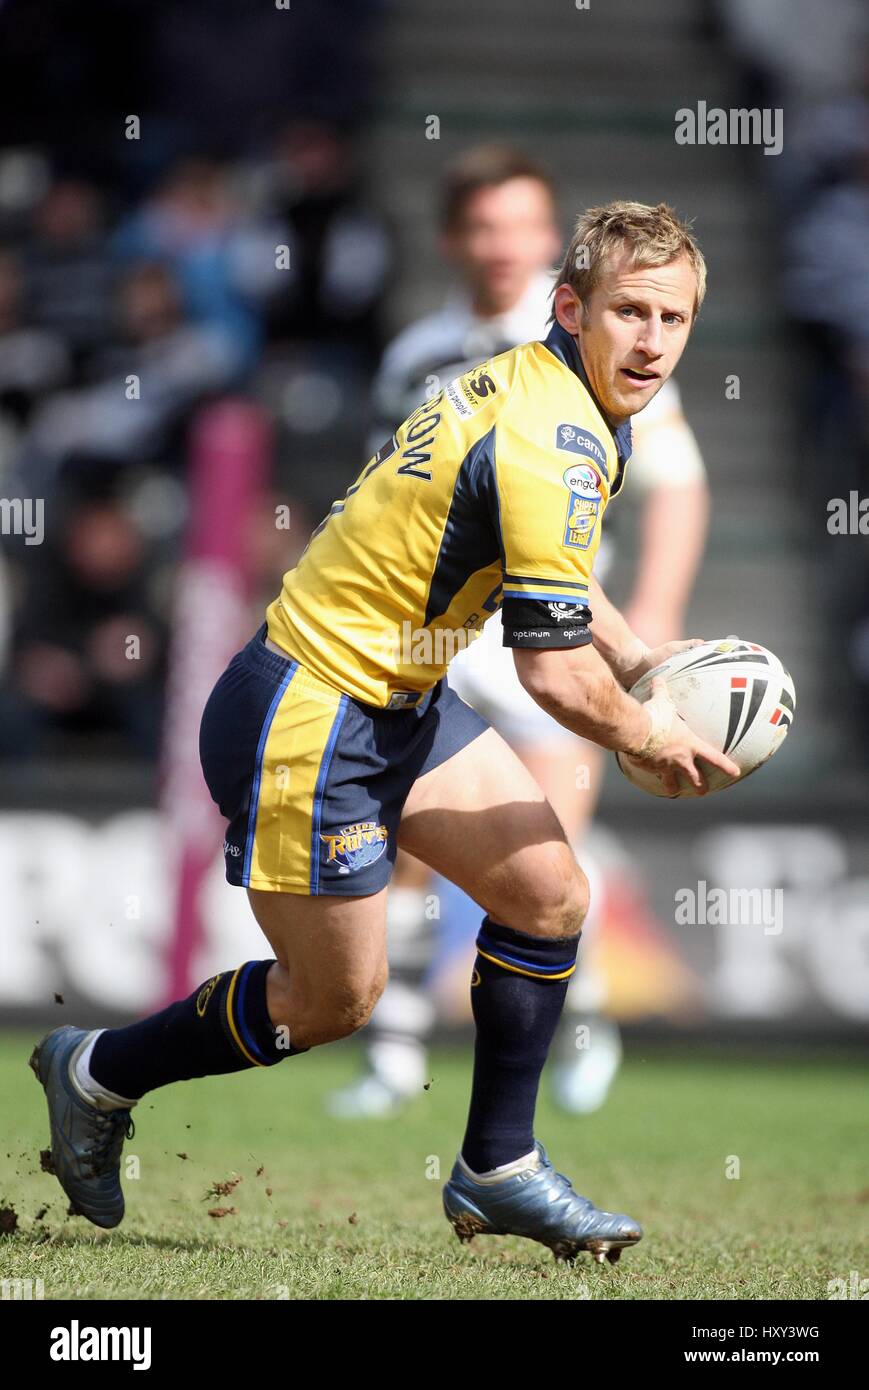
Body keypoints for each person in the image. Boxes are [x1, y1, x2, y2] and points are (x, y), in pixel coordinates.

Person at [31, 200, 739, 1264]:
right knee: (330, 1003)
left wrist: (639, 659)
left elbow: (550, 570)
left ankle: (497, 1166)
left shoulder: (558, 395)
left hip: (392, 698)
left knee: (548, 895)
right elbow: (547, 670)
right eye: (628, 311)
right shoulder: (555, 438)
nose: (649, 339)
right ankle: (95, 1070)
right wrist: (646, 735)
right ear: (568, 308)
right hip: (308, 712)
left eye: (672, 318)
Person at [330, 146, 709, 1118]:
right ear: (454, 239)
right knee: (413, 853)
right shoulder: (416, 355)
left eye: (522, 224)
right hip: (443, 631)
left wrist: (649, 630)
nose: (504, 244)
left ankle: (573, 1037)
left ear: (552, 241)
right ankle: (395, 1058)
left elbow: (675, 488)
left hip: (556, 628)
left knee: (543, 851)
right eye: (483, 224)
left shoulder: (609, 343)